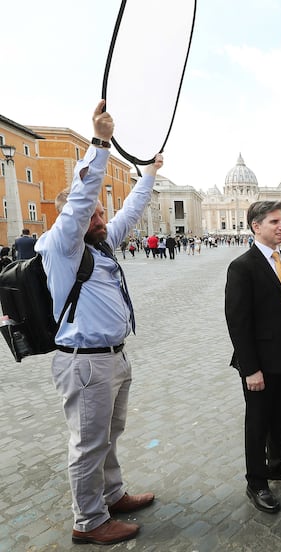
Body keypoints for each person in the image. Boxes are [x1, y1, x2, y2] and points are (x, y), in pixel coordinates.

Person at [35, 101, 160, 545]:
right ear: (74, 219)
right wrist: (101, 144)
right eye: (94, 214)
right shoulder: (63, 245)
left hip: (112, 358)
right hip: (85, 363)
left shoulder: (99, 243)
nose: (103, 218)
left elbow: (128, 212)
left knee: (109, 435)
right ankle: (88, 521)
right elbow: (82, 200)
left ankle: (111, 495)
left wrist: (148, 175)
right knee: (88, 443)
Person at [224, 200, 281, 514]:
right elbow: (238, 321)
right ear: (256, 226)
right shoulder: (243, 266)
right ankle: (256, 481)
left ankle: (278, 464)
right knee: (258, 423)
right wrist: (250, 369)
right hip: (259, 363)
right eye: (274, 222)